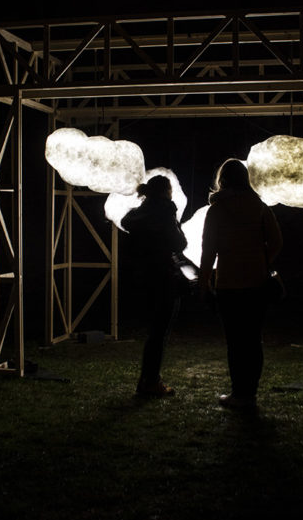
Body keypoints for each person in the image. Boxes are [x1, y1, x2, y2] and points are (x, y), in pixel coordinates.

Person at [199, 159, 282, 409]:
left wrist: (204, 282)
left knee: (235, 341)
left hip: (229, 284)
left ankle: (239, 393)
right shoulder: (259, 207)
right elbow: (277, 241)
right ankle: (251, 394)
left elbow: (208, 250)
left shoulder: (217, 210)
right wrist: (261, 259)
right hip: (257, 283)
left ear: (221, 180)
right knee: (253, 339)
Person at [121, 175, 188, 397]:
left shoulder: (137, 214)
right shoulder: (165, 210)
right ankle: (150, 382)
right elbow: (179, 243)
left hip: (144, 277)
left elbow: (127, 224)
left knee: (154, 332)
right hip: (164, 277)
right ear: (167, 191)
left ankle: (147, 380)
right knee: (160, 333)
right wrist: (174, 222)